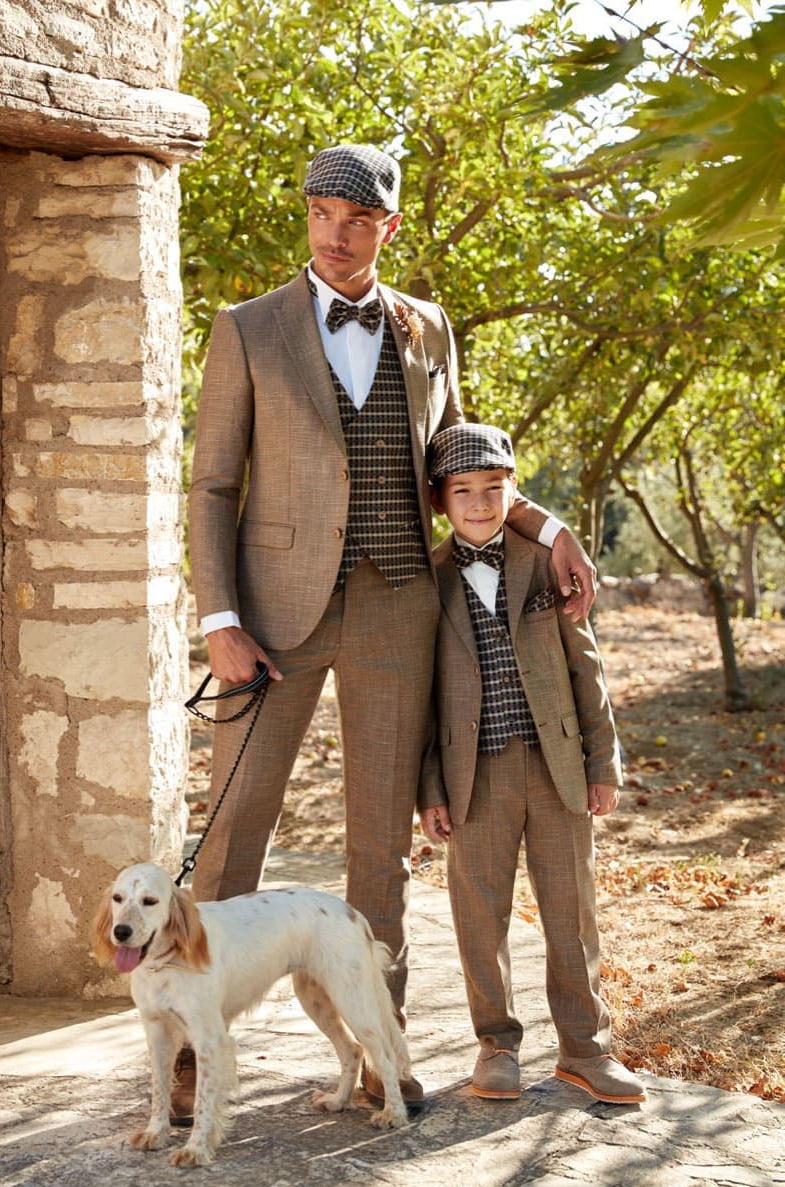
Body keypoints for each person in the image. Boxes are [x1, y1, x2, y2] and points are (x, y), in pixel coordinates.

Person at [183, 144, 596, 1119]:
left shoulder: (427, 327)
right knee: (235, 833)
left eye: (356, 218)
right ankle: (195, 1050)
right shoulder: (245, 329)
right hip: (269, 620)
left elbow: (461, 466)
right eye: (321, 213)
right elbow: (210, 486)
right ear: (307, 215)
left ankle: (381, 1052)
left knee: (377, 847)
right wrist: (219, 620)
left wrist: (547, 524)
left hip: (398, 604)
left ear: (387, 227)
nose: (335, 233)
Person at [419, 423, 646, 1104]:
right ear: (441, 500)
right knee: (478, 914)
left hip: (557, 768)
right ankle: (496, 1043)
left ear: (513, 492)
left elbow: (588, 671)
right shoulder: (427, 582)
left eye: (494, 489)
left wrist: (602, 765)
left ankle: (586, 1048)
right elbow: (420, 700)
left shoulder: (546, 563)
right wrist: (429, 785)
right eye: (464, 492)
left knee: (571, 912)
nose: (481, 504)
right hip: (473, 775)